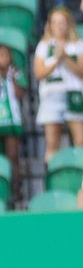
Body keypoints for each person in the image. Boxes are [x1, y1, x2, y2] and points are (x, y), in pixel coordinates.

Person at [34, 7, 83, 163]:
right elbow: (39, 73)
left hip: (74, 94)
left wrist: (65, 57)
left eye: (62, 22)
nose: (58, 26)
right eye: (55, 22)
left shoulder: (79, 45)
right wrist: (56, 60)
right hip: (51, 95)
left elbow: (81, 71)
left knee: (81, 140)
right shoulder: (43, 45)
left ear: (68, 24)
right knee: (52, 143)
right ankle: (54, 176)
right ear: (50, 25)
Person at [0, 44, 24, 207]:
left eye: (6, 54)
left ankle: (16, 192)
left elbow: (20, 93)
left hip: (12, 120)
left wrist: (10, 78)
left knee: (13, 157)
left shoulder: (15, 73)